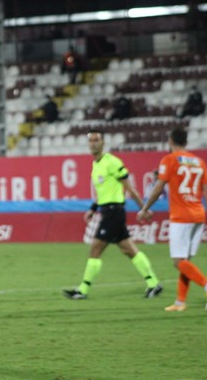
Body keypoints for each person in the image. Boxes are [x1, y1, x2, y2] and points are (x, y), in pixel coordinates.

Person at [63, 129, 162, 300]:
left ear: (103, 143)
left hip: (113, 212)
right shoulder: (96, 165)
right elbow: (103, 193)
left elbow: (130, 189)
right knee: (128, 249)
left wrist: (144, 209)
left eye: (96, 140)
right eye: (91, 140)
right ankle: (153, 283)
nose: (93, 143)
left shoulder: (112, 162)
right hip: (108, 211)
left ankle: (83, 290)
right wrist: (93, 208)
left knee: (95, 248)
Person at [137, 127, 207, 312]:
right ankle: (180, 302)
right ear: (186, 142)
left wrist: (145, 208)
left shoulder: (169, 160)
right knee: (185, 261)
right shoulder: (199, 162)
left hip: (181, 216)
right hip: (198, 215)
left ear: (170, 141)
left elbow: (158, 187)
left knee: (178, 261)